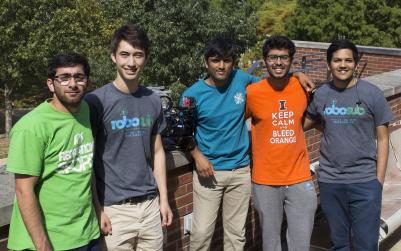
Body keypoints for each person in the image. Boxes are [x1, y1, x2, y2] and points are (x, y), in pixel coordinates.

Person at [180, 36, 315, 251]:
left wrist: (296, 75)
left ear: (233, 63)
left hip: (241, 170)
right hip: (209, 171)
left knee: (236, 236)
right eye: (215, 60)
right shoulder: (192, 95)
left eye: (226, 60)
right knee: (201, 233)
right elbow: (182, 131)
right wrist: (197, 156)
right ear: (206, 63)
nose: (221, 65)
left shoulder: (243, 81)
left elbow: (274, 81)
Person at [85, 23, 173, 250]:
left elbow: (157, 151)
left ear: (145, 58)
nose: (131, 62)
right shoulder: (95, 102)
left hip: (150, 207)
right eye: (124, 54)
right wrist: (98, 209)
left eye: (138, 55)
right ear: (113, 57)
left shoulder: (153, 100)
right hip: (114, 211)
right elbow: (88, 161)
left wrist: (164, 199)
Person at [304, 39, 393, 251]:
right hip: (331, 182)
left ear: (355, 63)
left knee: (366, 244)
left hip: (365, 181)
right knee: (338, 243)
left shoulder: (372, 94)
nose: (342, 65)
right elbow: (301, 124)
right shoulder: (321, 95)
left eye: (348, 60)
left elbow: (383, 139)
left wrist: (377, 182)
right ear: (329, 64)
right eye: (337, 60)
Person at [6, 52, 100, 250]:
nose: (72, 84)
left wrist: (98, 212)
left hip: (87, 235)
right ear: (51, 84)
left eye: (79, 77)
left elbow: (85, 167)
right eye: (64, 77)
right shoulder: (31, 127)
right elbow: (24, 191)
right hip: (49, 242)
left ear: (87, 82)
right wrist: (43, 246)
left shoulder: (85, 111)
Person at [245, 36, 317, 251]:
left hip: (299, 177)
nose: (278, 62)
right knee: (270, 243)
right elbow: (235, 122)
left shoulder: (303, 87)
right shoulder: (253, 92)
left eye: (284, 58)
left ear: (291, 60)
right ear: (265, 60)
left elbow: (315, 114)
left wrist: (298, 74)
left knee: (301, 243)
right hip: (265, 180)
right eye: (272, 57)